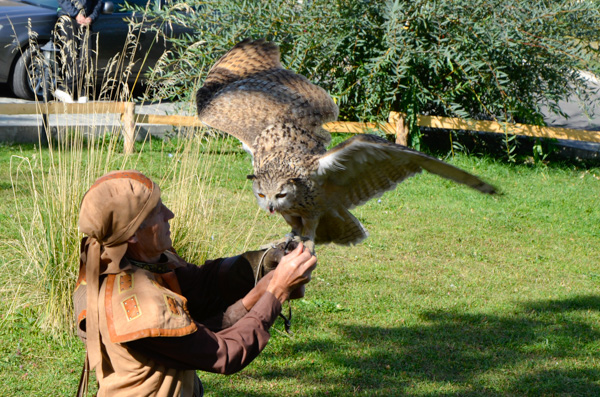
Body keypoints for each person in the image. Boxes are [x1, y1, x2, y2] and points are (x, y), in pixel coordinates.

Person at [74, 170, 317, 396]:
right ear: (133, 234)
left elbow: (202, 285)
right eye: (158, 211)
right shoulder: (138, 306)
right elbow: (224, 354)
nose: (170, 214)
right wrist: (276, 293)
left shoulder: (135, 262)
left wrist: (263, 267)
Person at [53, 0, 104, 103]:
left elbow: (98, 3)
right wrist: (76, 14)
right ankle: (77, 91)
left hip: (86, 22)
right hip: (68, 18)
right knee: (71, 55)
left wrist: (91, 18)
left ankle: (66, 89)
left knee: (86, 57)